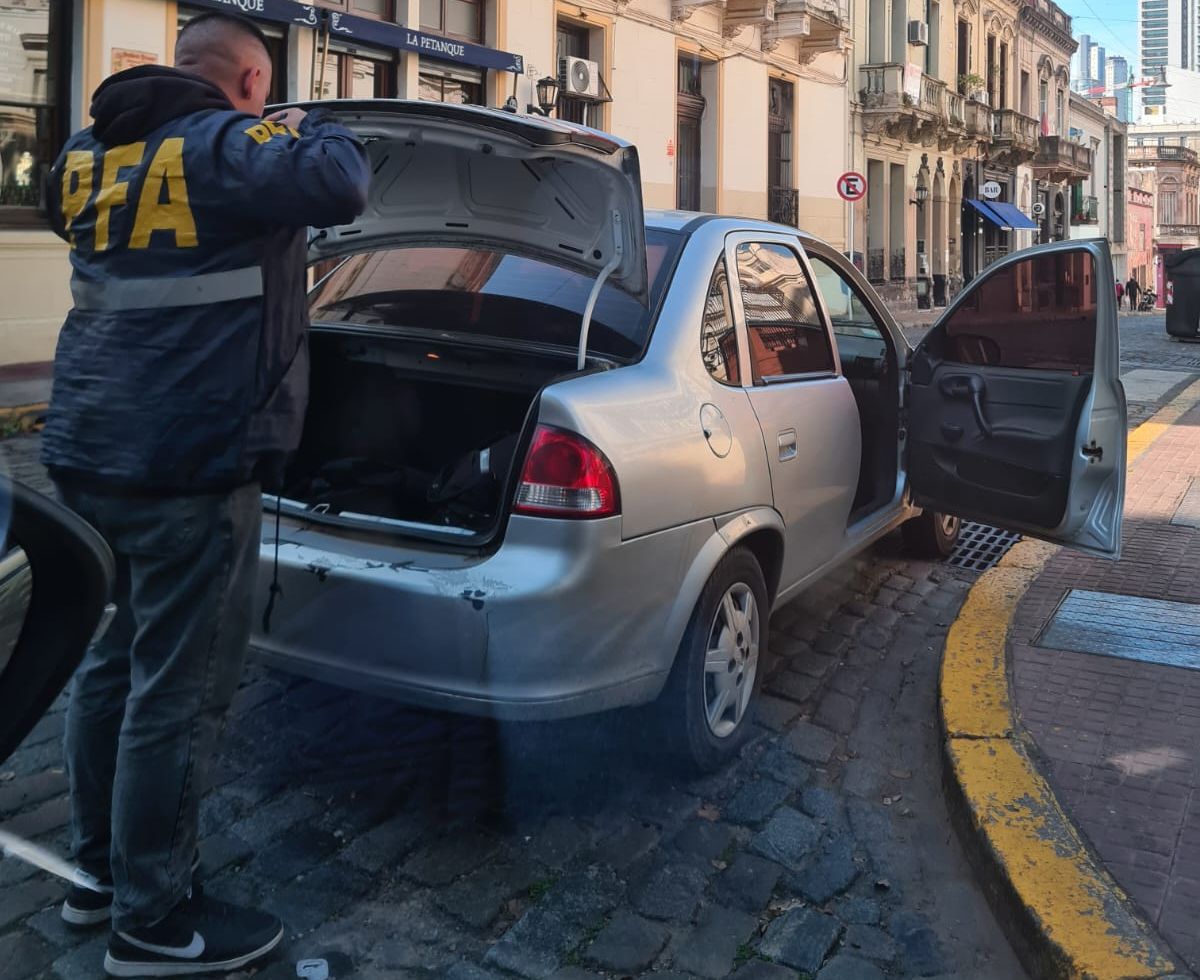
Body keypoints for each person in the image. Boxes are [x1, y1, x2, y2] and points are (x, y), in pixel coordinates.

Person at [41, 12, 370, 977]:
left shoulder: (84, 155)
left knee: (112, 664)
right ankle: (156, 918)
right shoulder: (232, 142)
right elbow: (342, 181)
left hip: (88, 451)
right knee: (177, 695)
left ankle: (97, 877)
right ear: (251, 81)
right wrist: (315, 124)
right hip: (191, 458)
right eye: (266, 95)